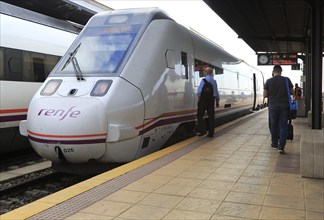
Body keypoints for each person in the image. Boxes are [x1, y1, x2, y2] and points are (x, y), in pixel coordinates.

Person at [264, 65, 294, 154]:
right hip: (285, 106)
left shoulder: (269, 81)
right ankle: (281, 146)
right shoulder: (286, 80)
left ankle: (274, 144)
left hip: (273, 106)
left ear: (273, 72)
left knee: (274, 125)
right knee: (283, 125)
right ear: (281, 71)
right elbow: (292, 92)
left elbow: (265, 95)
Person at [196, 67, 220, 137]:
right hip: (211, 101)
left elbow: (199, 92)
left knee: (200, 115)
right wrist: (217, 101)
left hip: (203, 101)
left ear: (207, 72)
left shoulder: (203, 80)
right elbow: (216, 93)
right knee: (211, 117)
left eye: (204, 71)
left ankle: (202, 131)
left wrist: (199, 100)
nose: (203, 72)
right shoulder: (214, 81)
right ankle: (211, 133)